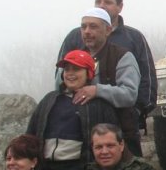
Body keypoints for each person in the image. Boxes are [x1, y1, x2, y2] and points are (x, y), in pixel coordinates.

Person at [58, 0, 157, 155]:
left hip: (121, 126)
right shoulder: (74, 39)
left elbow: (145, 82)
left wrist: (138, 112)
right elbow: (60, 80)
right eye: (98, 1)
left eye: (108, 2)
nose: (87, 31)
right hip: (79, 127)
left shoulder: (131, 42)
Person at [28, 50, 119, 170]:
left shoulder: (100, 105)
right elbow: (30, 136)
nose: (70, 73)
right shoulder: (48, 100)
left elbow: (114, 141)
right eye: (67, 69)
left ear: (89, 73)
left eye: (76, 69)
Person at [60, 8, 141, 156]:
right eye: (83, 27)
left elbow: (129, 95)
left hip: (119, 135)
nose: (87, 31)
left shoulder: (122, 56)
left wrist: (97, 90)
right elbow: (61, 90)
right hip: (80, 137)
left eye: (93, 26)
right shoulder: (72, 58)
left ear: (108, 30)